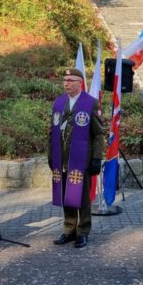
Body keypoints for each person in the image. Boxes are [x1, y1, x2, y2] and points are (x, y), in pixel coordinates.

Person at [48, 68, 105, 248]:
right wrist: (50, 154)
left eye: (71, 80)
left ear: (80, 83)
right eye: (65, 80)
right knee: (67, 195)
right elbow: (52, 132)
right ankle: (69, 230)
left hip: (82, 159)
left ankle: (83, 231)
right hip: (61, 159)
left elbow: (98, 134)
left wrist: (96, 158)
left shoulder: (91, 103)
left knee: (82, 198)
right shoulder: (58, 103)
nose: (67, 83)